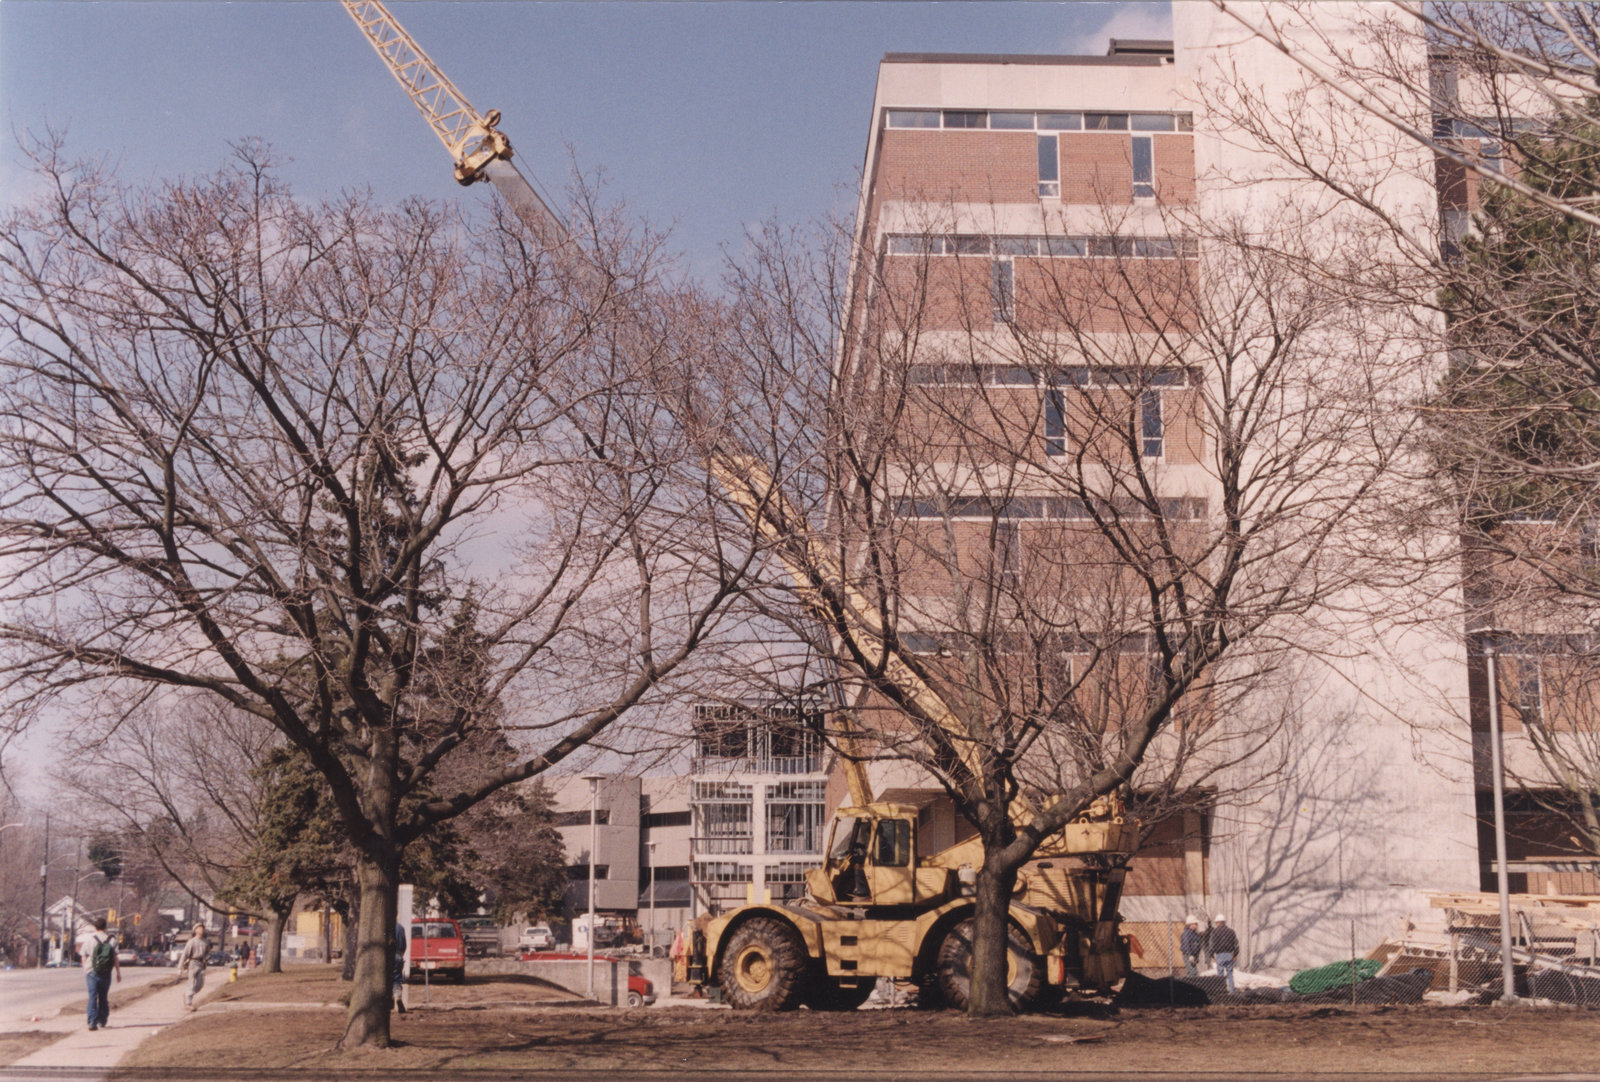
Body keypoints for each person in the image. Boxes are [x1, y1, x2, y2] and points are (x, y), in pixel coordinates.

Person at [79, 916, 120, 1030]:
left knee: (92, 996)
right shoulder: (112, 940)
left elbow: (83, 956)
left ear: (95, 927)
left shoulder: (89, 939)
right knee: (103, 997)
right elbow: (115, 958)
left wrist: (85, 969)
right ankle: (102, 1021)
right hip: (106, 972)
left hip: (92, 971)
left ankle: (92, 1022)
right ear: (105, 927)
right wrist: (118, 972)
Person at [178, 924, 211, 1010]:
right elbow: (185, 954)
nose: (201, 930)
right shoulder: (191, 942)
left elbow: (207, 953)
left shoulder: (205, 942)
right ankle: (188, 1003)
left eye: (202, 928)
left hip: (201, 964)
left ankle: (187, 995)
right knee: (191, 983)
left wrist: (207, 958)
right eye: (199, 928)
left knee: (200, 984)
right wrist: (180, 967)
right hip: (193, 963)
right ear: (195, 930)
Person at [1209, 914, 1239, 992]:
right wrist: (1235, 954)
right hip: (1229, 954)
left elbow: (1211, 944)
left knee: (1220, 974)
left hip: (1220, 955)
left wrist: (1211, 955)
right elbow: (1236, 944)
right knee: (1230, 974)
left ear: (1217, 922)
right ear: (1224, 922)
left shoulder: (1214, 932)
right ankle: (1232, 991)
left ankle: (1222, 992)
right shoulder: (1231, 931)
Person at [391, 921, 408, 1015]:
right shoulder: (400, 927)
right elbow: (404, 944)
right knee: (397, 979)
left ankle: (387, 1000)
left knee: (385, 978)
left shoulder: (386, 926)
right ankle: (397, 997)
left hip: (389, 955)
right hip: (399, 955)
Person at [1180, 915, 1203, 979]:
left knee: (1194, 972)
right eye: (1195, 924)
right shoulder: (1186, 933)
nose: (1196, 925)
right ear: (1190, 924)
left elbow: (1198, 944)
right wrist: (1190, 955)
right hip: (1188, 955)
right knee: (1192, 972)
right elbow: (1186, 944)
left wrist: (1197, 955)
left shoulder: (1194, 933)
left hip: (1194, 955)